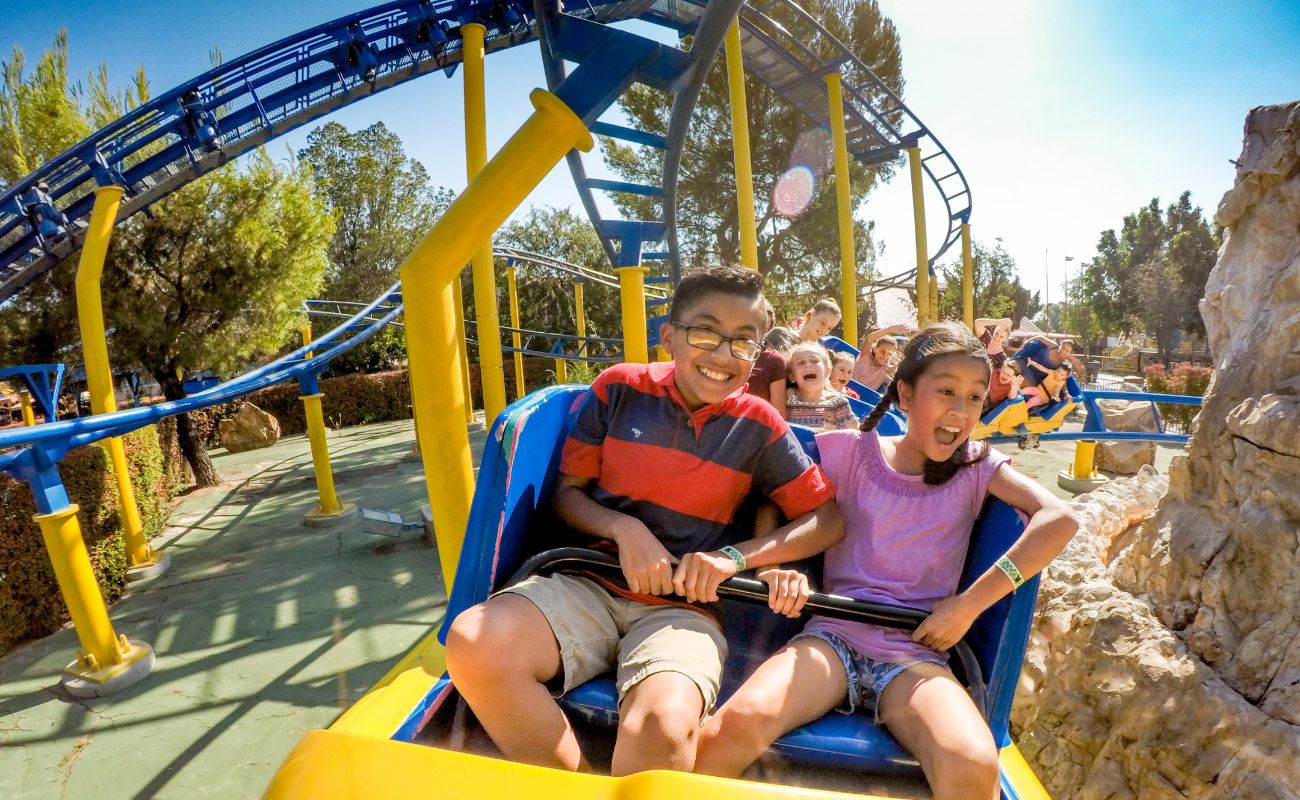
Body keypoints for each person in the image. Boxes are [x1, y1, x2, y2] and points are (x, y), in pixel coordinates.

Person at [445, 264, 845, 775]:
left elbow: (827, 520)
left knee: (662, 725)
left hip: (684, 610)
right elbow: (567, 497)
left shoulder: (759, 425)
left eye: (744, 343)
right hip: (587, 580)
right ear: (669, 338)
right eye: (705, 333)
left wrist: (735, 557)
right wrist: (623, 528)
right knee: (475, 642)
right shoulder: (619, 390)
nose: (724, 356)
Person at [695, 322, 1079, 800]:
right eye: (945, 392)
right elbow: (775, 489)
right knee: (734, 725)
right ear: (905, 393)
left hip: (914, 652)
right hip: (834, 636)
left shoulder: (978, 466)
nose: (960, 412)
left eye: (976, 398)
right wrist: (770, 565)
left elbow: (1059, 518)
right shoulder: (850, 452)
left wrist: (968, 605)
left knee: (973, 761)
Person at [785, 342, 858, 431]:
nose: (808, 365)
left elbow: (855, 434)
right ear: (792, 376)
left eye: (814, 361)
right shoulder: (788, 398)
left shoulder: (838, 403)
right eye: (801, 362)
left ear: (827, 372)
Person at [745, 300, 788, 417]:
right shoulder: (727, 351)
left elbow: (778, 413)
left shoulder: (774, 361)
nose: (756, 332)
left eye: (764, 328)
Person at [764, 298, 841, 352]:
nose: (824, 330)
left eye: (829, 328)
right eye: (823, 323)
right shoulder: (780, 334)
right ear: (813, 314)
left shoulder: (819, 354)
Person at [851, 323, 910, 392]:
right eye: (882, 351)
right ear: (875, 349)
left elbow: (904, 366)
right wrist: (890, 329)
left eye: (890, 354)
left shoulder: (888, 369)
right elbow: (869, 339)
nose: (885, 356)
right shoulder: (866, 356)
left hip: (862, 399)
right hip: (847, 389)